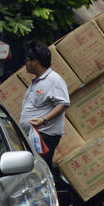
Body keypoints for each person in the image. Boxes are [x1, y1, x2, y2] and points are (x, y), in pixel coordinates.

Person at [19, 40, 70, 172]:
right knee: (39, 169)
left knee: (40, 170)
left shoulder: (54, 80)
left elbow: (63, 104)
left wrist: (44, 120)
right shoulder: (37, 81)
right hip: (35, 135)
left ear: (35, 61)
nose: (26, 63)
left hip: (44, 135)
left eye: (27, 60)